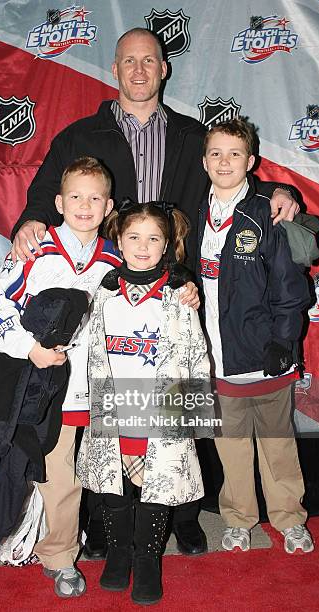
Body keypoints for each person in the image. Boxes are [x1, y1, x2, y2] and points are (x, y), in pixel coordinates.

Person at [10, 27, 300, 557]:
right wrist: (27, 223)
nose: (140, 70)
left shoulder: (193, 136)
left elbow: (233, 179)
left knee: (177, 405)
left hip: (176, 287)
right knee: (112, 407)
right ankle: (104, 521)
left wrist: (281, 191)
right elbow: (43, 196)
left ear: (165, 69)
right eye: (129, 61)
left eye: (150, 60)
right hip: (108, 286)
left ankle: (184, 515)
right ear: (115, 70)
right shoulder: (80, 136)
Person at [0, 157, 119, 597]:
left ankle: (61, 556)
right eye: (76, 197)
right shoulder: (35, 247)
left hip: (69, 395)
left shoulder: (115, 261)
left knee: (62, 477)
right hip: (14, 383)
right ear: (59, 202)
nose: (85, 205)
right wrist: (30, 348)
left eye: (95, 198)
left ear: (108, 207)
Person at [76, 201, 211, 605]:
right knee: (113, 486)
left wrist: (191, 417)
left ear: (167, 243)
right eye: (133, 237)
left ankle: (148, 558)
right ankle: (119, 554)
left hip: (160, 408)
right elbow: (86, 347)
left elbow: (195, 351)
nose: (142, 245)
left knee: (156, 487)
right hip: (113, 406)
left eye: (154, 238)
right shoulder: (104, 289)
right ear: (117, 238)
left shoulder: (178, 293)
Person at [197, 117, 314, 554]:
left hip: (265, 357)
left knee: (278, 446)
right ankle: (238, 518)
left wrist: (283, 342)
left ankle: (289, 518)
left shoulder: (268, 213)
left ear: (251, 161)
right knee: (231, 449)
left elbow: (289, 289)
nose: (223, 161)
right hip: (216, 360)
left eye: (233, 154)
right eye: (215, 153)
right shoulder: (194, 211)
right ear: (204, 160)